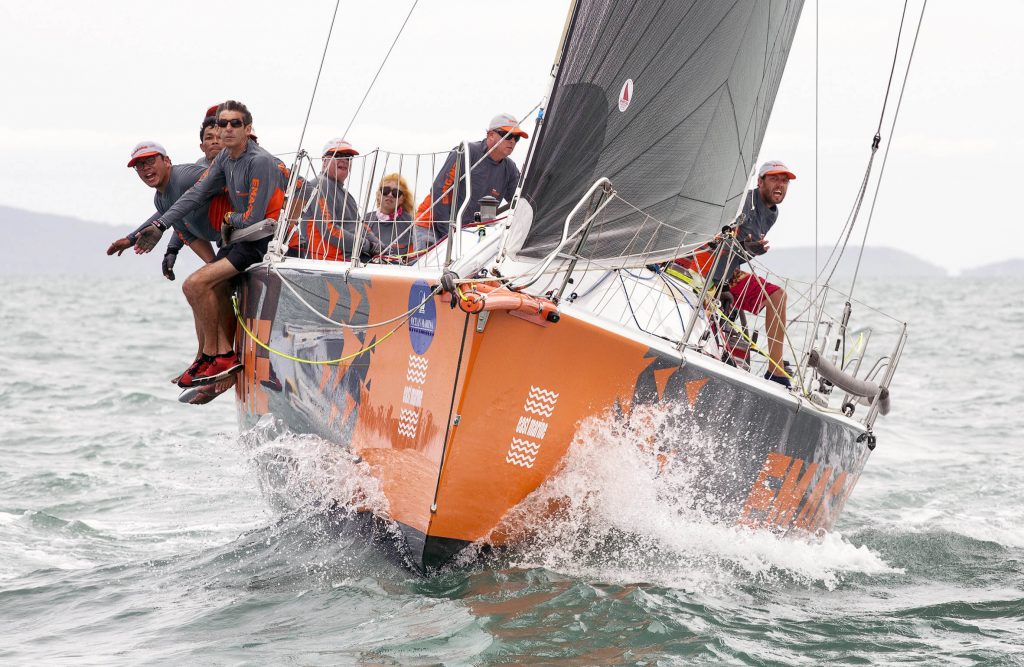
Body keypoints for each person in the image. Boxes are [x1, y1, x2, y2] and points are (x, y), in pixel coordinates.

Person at [139, 100, 287, 388]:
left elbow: (252, 217)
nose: (227, 129)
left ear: (248, 129)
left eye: (235, 124)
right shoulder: (224, 159)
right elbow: (194, 196)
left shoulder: (259, 161)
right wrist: (159, 226)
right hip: (237, 241)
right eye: (222, 124)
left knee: (194, 285)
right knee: (210, 288)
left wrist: (228, 217)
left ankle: (221, 357)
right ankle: (208, 362)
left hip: (261, 240)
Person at [713, 160, 795, 388]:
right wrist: (741, 250)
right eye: (774, 179)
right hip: (706, 271)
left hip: (729, 275)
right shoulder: (742, 202)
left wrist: (748, 251)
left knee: (778, 296)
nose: (781, 184)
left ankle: (775, 370)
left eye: (785, 180)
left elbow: (740, 249)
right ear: (760, 182)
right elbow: (718, 238)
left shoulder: (772, 212)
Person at [413, 113, 527, 251]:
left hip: (470, 231)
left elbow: (520, 200)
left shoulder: (510, 169)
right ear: (491, 135)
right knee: (431, 270)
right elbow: (440, 191)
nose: (512, 141)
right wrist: (448, 234)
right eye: (507, 135)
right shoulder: (465, 152)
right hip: (431, 225)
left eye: (517, 138)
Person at [294, 138, 377, 261]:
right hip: (331, 263)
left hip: (353, 259)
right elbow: (329, 230)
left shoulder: (346, 194)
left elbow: (360, 226)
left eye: (348, 157)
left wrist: (378, 244)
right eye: (337, 155)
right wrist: (367, 246)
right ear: (324, 161)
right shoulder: (320, 184)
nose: (344, 160)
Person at [365, 173, 414, 262]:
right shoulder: (365, 220)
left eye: (396, 193)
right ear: (378, 195)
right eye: (386, 190)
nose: (390, 195)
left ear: (402, 199)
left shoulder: (411, 223)